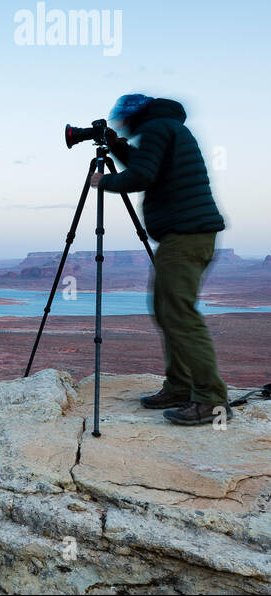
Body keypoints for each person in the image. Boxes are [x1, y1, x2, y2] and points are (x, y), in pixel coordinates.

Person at [91, 94, 229, 426]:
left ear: (134, 116)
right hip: (189, 234)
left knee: (179, 315)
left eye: (123, 120)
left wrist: (104, 181)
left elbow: (142, 176)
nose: (122, 125)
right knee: (168, 312)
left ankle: (211, 400)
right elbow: (148, 166)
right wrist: (121, 149)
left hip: (185, 236)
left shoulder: (156, 129)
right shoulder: (167, 128)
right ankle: (179, 387)